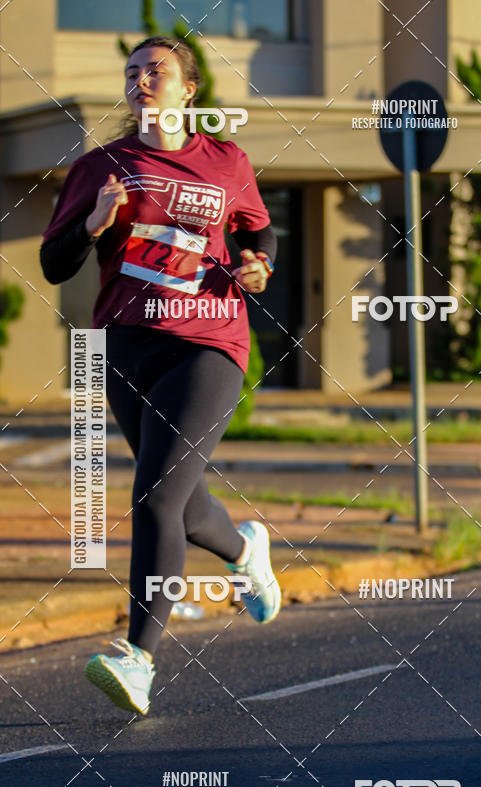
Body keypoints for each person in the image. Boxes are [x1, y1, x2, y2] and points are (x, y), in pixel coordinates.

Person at [40, 36, 281, 716]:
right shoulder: (100, 167)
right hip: (128, 346)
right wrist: (92, 224)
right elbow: (56, 263)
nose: (141, 80)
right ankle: (245, 548)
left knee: (153, 497)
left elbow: (259, 235)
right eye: (132, 72)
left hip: (208, 341)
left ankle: (137, 657)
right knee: (182, 500)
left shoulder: (225, 160)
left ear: (188, 90)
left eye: (156, 70)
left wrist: (259, 265)